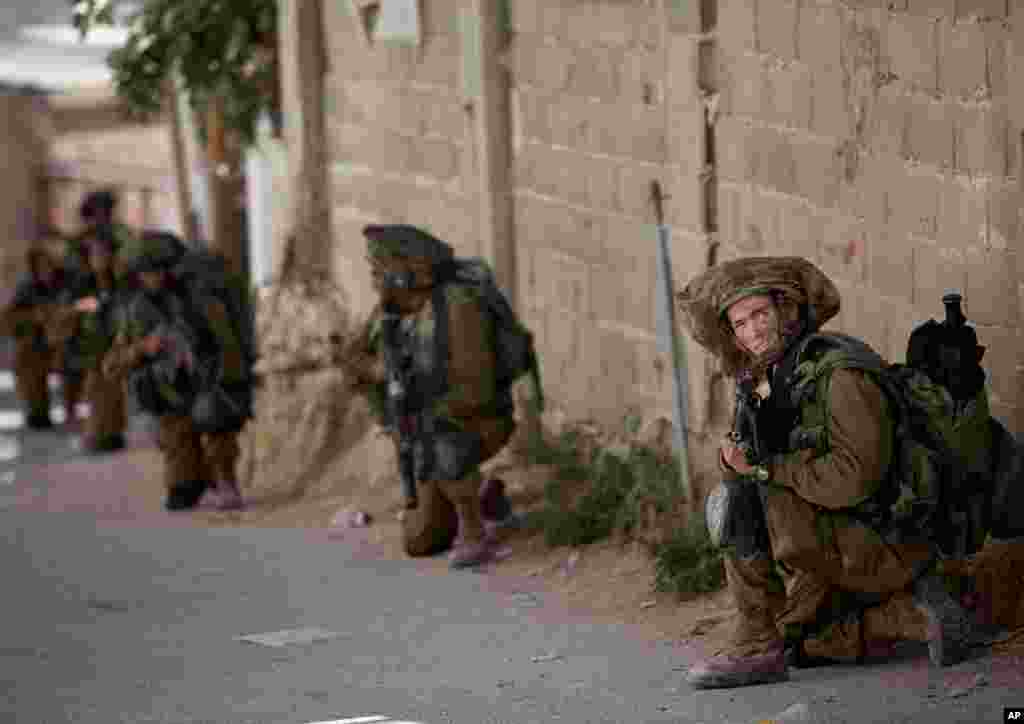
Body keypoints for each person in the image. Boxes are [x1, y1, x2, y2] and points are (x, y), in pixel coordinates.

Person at [676, 256, 979, 690]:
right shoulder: (766, 378)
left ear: (788, 309)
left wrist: (764, 469)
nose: (752, 332)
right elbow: (752, 458)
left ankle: (757, 646)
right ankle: (917, 617)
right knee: (801, 643)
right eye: (740, 324)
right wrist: (734, 461)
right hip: (831, 538)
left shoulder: (839, 375)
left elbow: (856, 478)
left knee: (743, 503)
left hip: (884, 537)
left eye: (759, 314)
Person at [341, 224, 517, 569]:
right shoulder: (390, 311)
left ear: (408, 272)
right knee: (421, 540)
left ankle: (474, 532)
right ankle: (485, 498)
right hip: (423, 431)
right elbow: (361, 359)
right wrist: (362, 369)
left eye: (380, 270)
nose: (375, 279)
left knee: (445, 448)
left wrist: (409, 392)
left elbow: (474, 389)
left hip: (473, 421)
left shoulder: (455, 309)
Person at [102, 230, 251, 512]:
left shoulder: (199, 303)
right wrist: (143, 349)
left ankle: (224, 479)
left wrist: (215, 370)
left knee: (214, 414)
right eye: (146, 272)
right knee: (181, 496)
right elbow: (111, 366)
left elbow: (229, 347)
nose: (152, 278)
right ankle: (197, 478)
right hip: (170, 400)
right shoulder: (136, 311)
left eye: (157, 271)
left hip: (207, 390)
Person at [48, 227, 130, 452]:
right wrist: (84, 305)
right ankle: (97, 434)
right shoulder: (81, 282)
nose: (100, 259)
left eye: (104, 254)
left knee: (112, 390)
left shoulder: (120, 281)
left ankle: (112, 433)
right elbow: (64, 310)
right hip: (88, 345)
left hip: (115, 343)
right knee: (95, 389)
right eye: (95, 254)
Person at [0, 246, 66, 429]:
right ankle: (37, 411)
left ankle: (65, 409)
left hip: (64, 341)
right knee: (28, 363)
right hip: (36, 343)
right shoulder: (26, 287)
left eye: (48, 265)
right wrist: (34, 316)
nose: (46, 270)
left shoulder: (66, 283)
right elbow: (8, 318)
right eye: (41, 266)